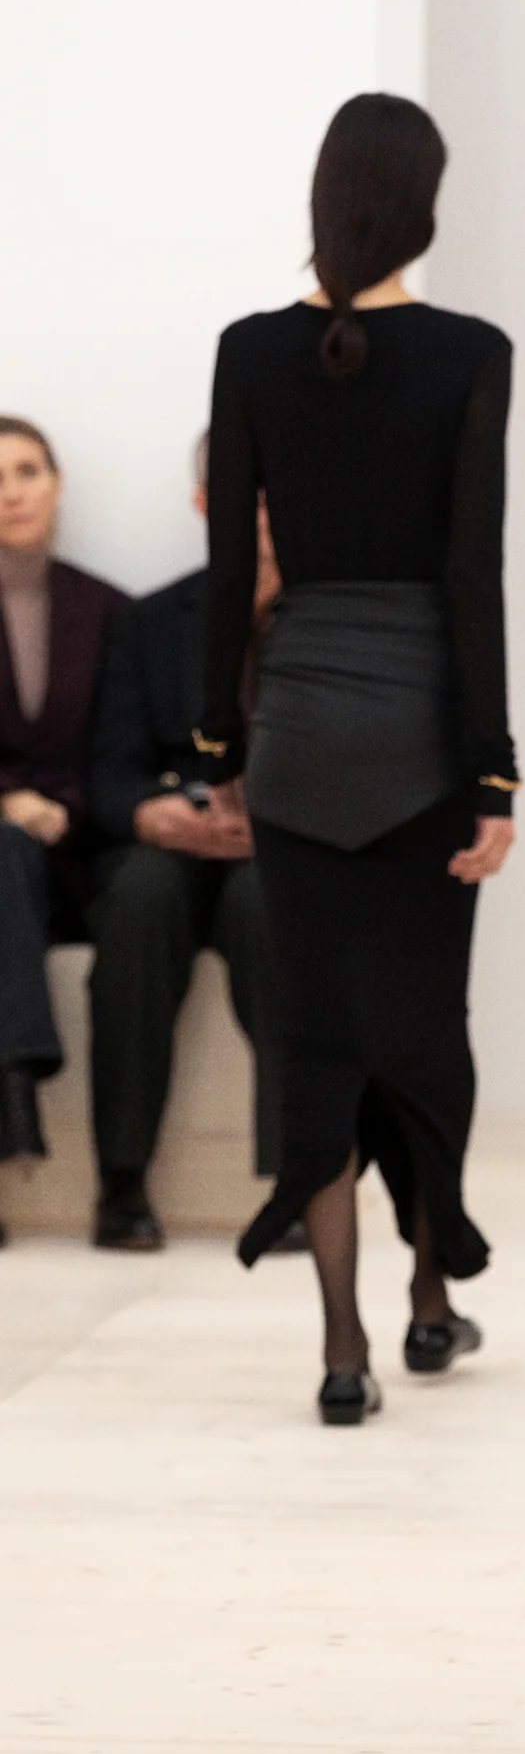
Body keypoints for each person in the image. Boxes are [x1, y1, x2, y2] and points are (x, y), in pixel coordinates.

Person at [199, 92, 516, 1424]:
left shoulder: (250, 353)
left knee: (318, 1037)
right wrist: (493, 773)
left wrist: (222, 744)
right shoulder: (472, 354)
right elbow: (472, 576)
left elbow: (231, 576)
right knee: (424, 1033)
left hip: (297, 740)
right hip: (422, 744)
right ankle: (431, 1296)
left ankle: (343, 1350)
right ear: (424, 206)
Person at [86, 438, 297, 1252]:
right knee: (139, 898)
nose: (266, 512)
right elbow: (107, 772)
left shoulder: (332, 622)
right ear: (205, 505)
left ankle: (295, 1182)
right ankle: (121, 1184)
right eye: (246, 492)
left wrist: (275, 820)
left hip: (280, 848)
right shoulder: (148, 621)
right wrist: (151, 815)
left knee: (269, 901)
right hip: (171, 842)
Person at [0, 417, 127, 1243]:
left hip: (84, 856)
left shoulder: (108, 609)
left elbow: (124, 744)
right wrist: (7, 801)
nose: (11, 493)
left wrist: (65, 809)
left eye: (27, 471)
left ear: (57, 484)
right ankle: (13, 1091)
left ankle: (17, 1094)